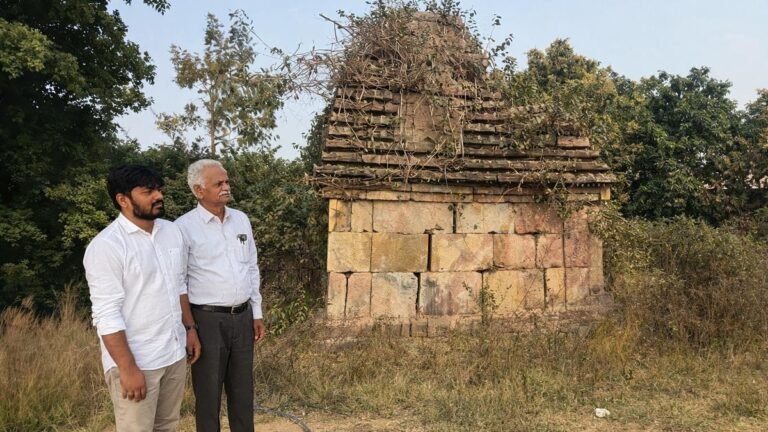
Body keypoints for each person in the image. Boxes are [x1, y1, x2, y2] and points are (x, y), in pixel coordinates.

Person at [83, 165, 202, 432]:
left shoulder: (171, 232)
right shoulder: (106, 247)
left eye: (158, 190)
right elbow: (106, 314)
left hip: (173, 354)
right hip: (138, 362)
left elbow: (179, 285)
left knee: (167, 427)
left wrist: (190, 329)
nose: (158, 196)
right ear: (122, 200)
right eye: (148, 191)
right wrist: (127, 368)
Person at [175, 159, 266, 432]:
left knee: (242, 392)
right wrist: (189, 327)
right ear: (198, 190)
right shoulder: (183, 228)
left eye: (226, 181)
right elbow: (179, 281)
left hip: (242, 315)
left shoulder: (241, 219)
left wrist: (257, 312)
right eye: (219, 183)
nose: (226, 187)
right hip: (207, 320)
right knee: (208, 395)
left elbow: (251, 267)